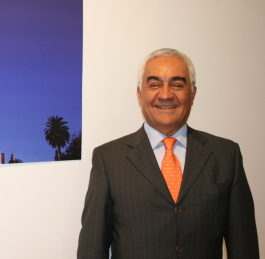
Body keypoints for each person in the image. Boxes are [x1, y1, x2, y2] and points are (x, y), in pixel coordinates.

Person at [77, 48, 259, 259]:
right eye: (154, 84)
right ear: (139, 94)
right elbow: (92, 249)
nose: (165, 94)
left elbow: (244, 247)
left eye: (177, 85)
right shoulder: (108, 159)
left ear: (192, 93)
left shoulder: (227, 155)